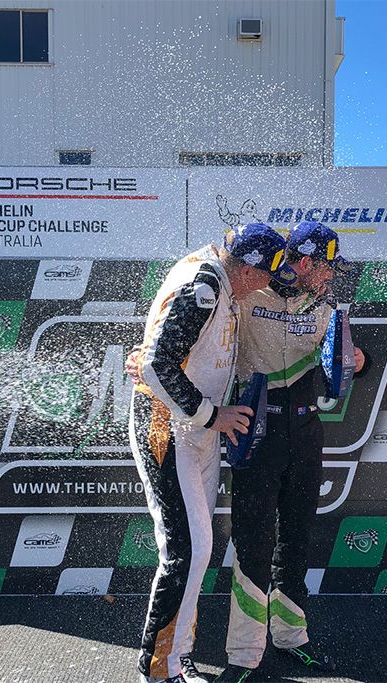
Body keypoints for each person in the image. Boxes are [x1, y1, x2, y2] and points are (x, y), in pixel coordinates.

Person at [130, 223, 296, 683]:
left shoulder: (224, 278)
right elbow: (154, 365)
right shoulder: (204, 286)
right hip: (171, 429)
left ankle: (176, 657)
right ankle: (157, 668)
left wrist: (209, 418)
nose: (265, 286)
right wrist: (211, 415)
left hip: (197, 430)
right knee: (187, 552)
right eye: (264, 276)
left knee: (198, 553)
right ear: (245, 267)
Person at [214, 221, 368, 682]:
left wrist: (360, 363)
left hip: (305, 433)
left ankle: (291, 638)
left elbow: (341, 359)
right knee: (253, 542)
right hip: (255, 431)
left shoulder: (324, 303)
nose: (330, 277)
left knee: (296, 540)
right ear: (305, 262)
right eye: (325, 268)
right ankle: (243, 654)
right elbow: (201, 337)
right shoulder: (247, 292)